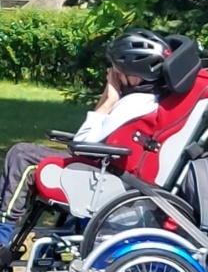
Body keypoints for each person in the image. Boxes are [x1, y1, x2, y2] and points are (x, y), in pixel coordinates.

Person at [0, 29, 171, 247]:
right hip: (106, 169)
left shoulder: (133, 105)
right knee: (21, 155)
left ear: (134, 74)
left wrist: (109, 100)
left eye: (116, 69)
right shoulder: (146, 101)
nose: (111, 73)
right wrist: (109, 99)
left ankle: (3, 233)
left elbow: (81, 143)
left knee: (21, 156)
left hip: (105, 180)